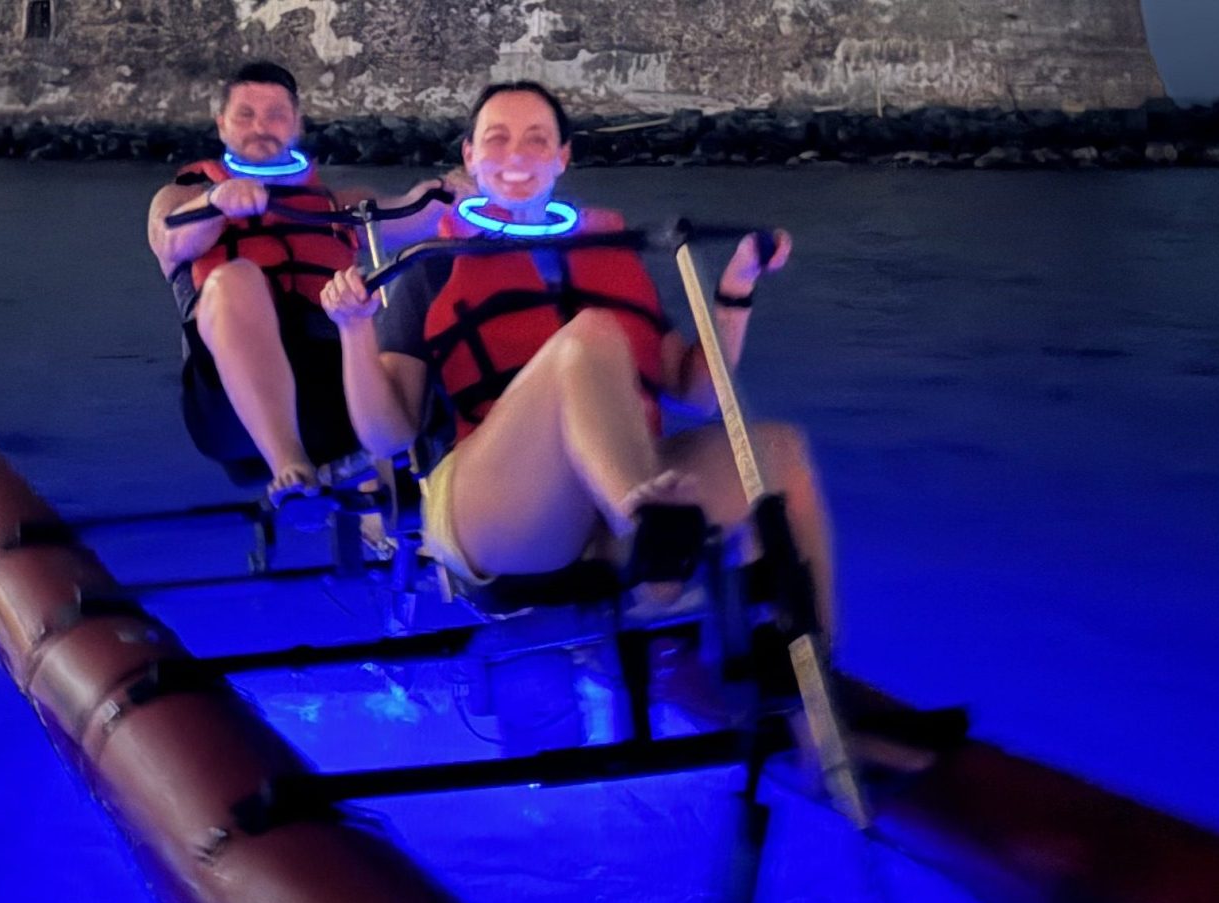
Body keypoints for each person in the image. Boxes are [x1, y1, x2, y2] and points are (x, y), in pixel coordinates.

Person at [318, 80, 840, 639]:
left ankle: (814, 667)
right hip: (499, 508)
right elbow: (387, 436)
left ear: (562, 156)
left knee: (780, 453)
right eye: (497, 139)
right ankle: (645, 533)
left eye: (537, 139)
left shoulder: (608, 253)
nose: (517, 154)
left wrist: (736, 290)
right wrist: (353, 329)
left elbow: (693, 393)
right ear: (469, 155)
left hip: (618, 491)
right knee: (589, 335)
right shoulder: (431, 266)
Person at [146, 61, 454, 498]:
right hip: (228, 406)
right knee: (236, 278)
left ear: (297, 124)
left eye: (276, 115)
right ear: (222, 125)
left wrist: (453, 190)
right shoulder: (184, 197)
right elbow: (168, 237)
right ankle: (288, 464)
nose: (261, 127)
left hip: (333, 391)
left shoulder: (337, 205)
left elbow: (416, 211)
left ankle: (410, 499)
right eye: (245, 115)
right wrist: (216, 202)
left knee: (417, 287)